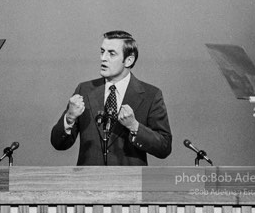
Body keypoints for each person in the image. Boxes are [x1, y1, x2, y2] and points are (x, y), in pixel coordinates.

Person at [51, 30, 172, 165]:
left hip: (130, 182)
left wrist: (134, 126)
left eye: (111, 53)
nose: (103, 58)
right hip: (89, 182)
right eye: (102, 51)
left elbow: (164, 147)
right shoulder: (84, 90)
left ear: (128, 60)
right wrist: (69, 117)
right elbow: (58, 143)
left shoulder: (151, 95)